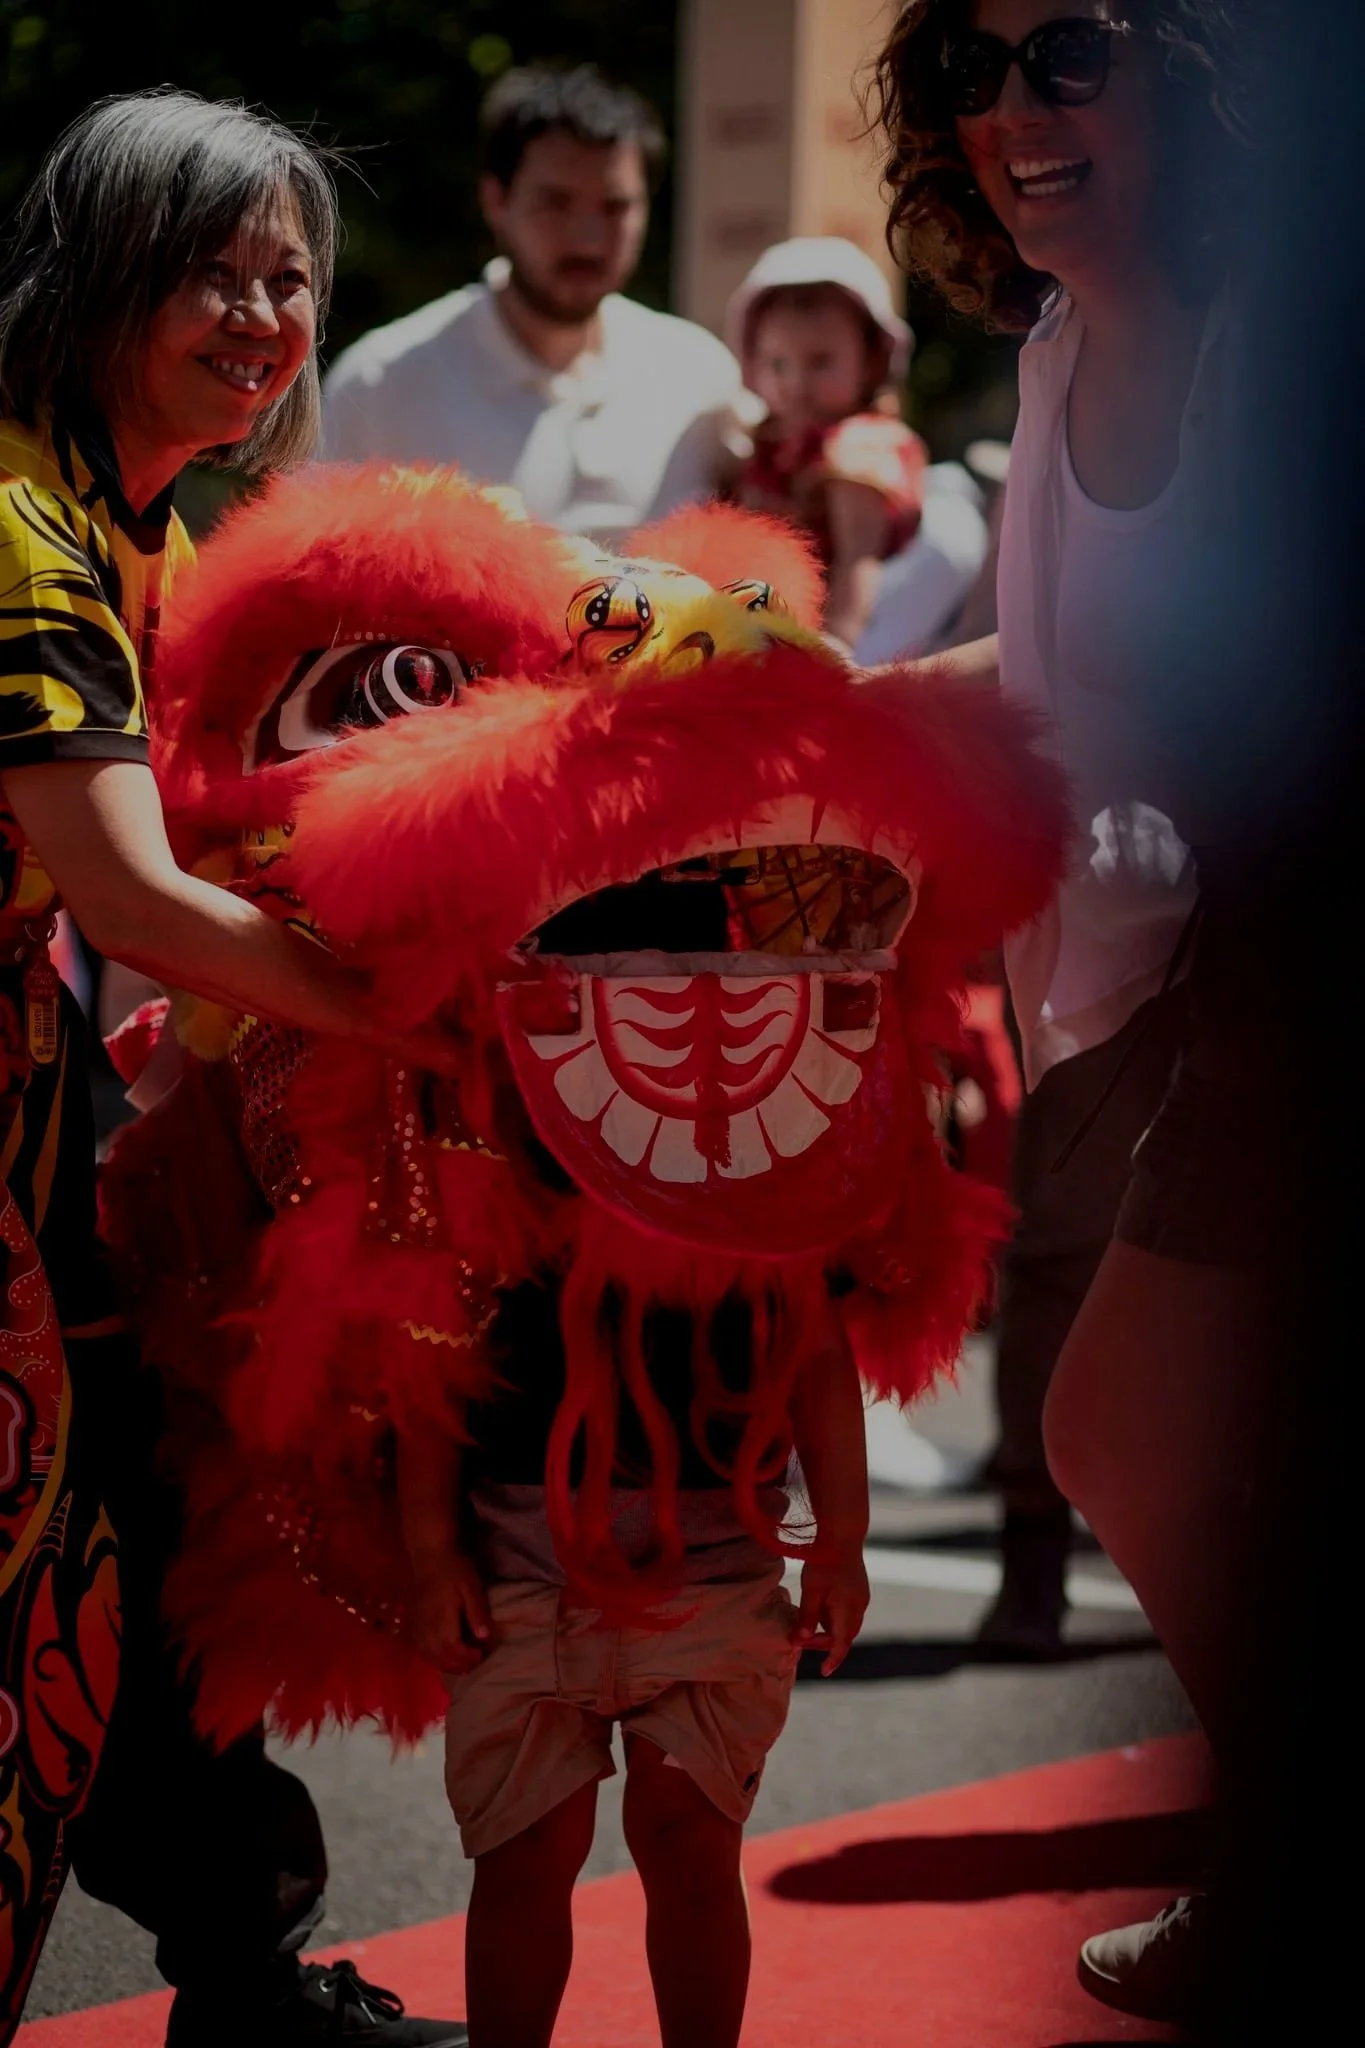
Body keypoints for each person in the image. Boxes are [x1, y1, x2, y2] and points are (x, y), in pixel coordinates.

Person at [0, 90, 465, 2045]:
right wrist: (392, 1010)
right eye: (218, 270)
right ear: (97, 277)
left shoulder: (145, 529)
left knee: (133, 1530)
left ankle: (239, 1974)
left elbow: (225, 840)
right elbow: (130, 881)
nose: (267, 317)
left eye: (292, 276)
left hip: (41, 1118)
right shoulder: (18, 523)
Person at [872, 0, 1267, 2023]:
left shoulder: (1271, 337)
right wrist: (780, 713)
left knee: (1115, 1424)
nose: (1011, 107)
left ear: (1185, 82)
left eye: (1071, 53)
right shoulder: (1049, 344)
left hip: (1303, 967)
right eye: (964, 61)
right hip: (1218, 971)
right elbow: (1039, 661)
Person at [400, 1282, 871, 2048]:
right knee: (523, 1853)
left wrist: (840, 1540)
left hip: (712, 1587)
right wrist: (431, 1555)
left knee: (690, 1845)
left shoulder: (747, 1178)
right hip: (520, 1586)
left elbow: (814, 1344)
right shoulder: (505, 1175)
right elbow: (431, 1343)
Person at [320, 64, 742, 546]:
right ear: (496, 200)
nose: (587, 239)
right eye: (555, 203)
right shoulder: (381, 387)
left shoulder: (700, 377)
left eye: (615, 207)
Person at [723, 237, 927, 648]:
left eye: (820, 362)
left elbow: (859, 554)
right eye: (777, 364)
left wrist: (837, 640)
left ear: (870, 362)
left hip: (851, 613)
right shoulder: (771, 438)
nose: (796, 385)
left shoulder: (858, 446)